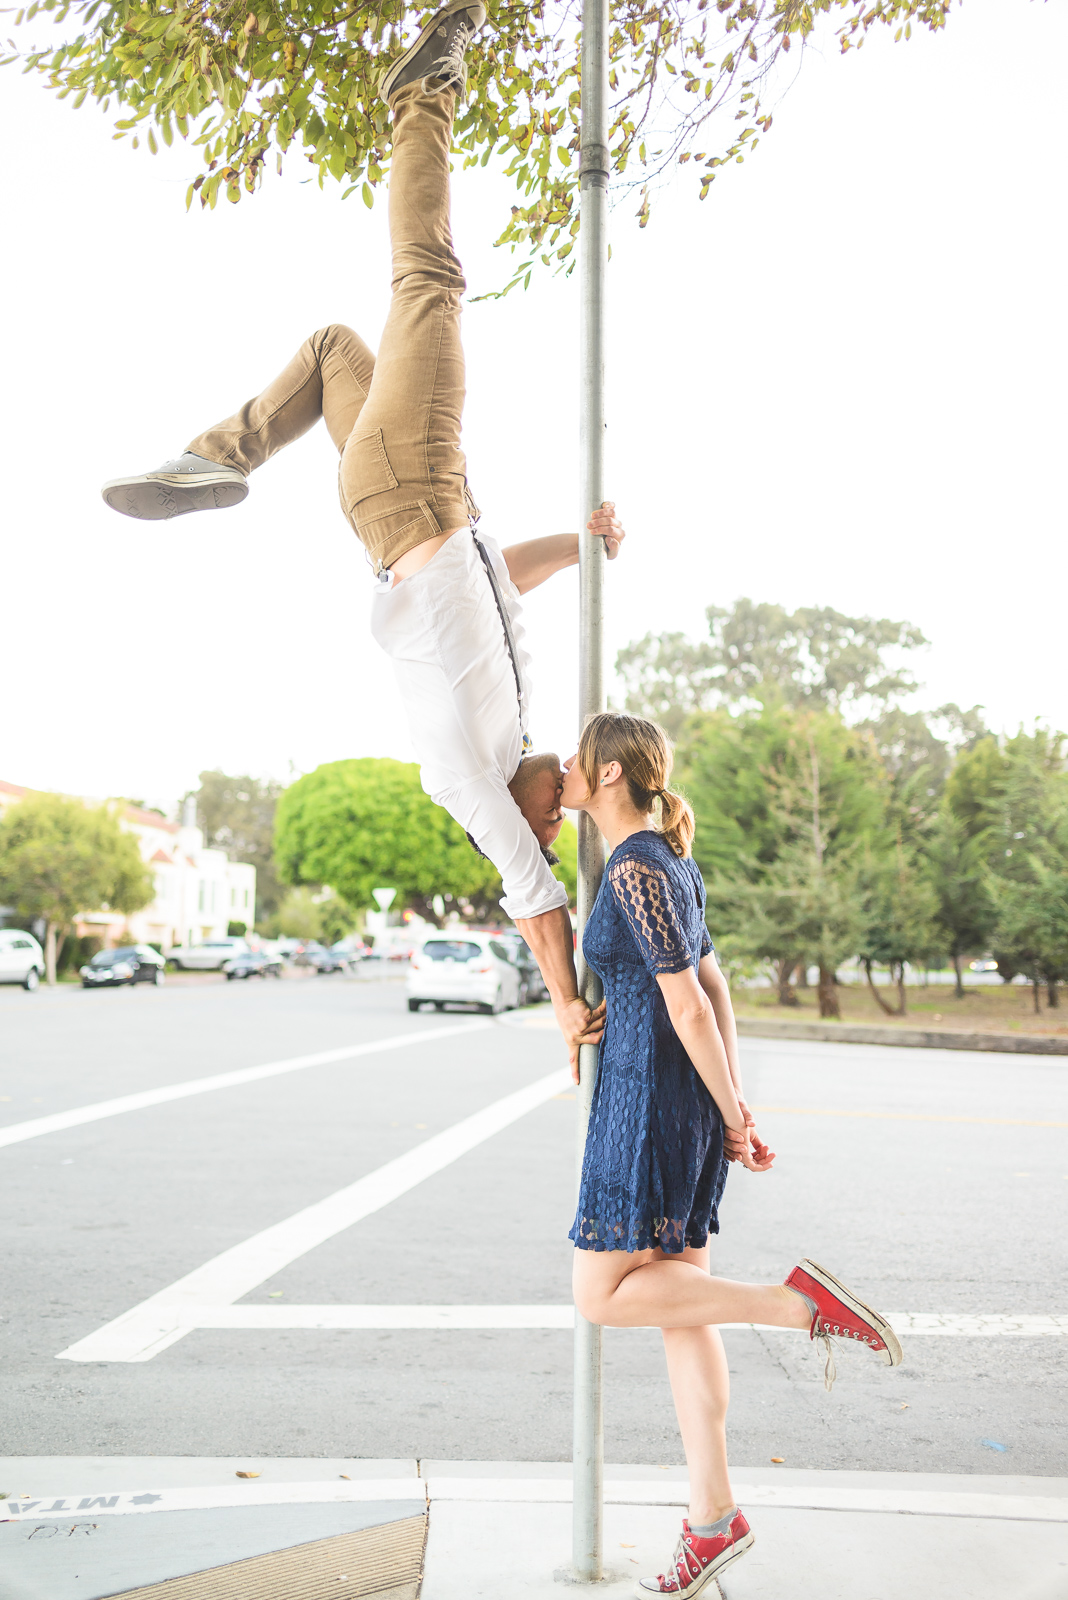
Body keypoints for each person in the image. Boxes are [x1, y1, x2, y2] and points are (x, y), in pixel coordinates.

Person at [99, 1, 624, 1064]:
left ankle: (419, 94)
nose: (559, 816)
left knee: (430, 279)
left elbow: (535, 904)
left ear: (514, 829)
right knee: (340, 347)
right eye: (563, 823)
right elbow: (502, 576)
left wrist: (564, 1002)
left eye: (552, 828)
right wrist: (585, 541)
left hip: (409, 490)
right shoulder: (507, 709)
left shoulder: (470, 783)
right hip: (419, 505)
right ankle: (220, 455)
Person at [558, 711, 903, 1597]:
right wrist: (735, 1111)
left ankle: (795, 1306)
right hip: (684, 1104)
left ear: (605, 774)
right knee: (683, 1312)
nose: (561, 766)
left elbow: (690, 1006)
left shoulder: (637, 863)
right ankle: (712, 1521)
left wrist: (727, 1107)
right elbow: (713, 984)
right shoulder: (669, 860)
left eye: (573, 756)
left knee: (600, 1297)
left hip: (647, 1104)